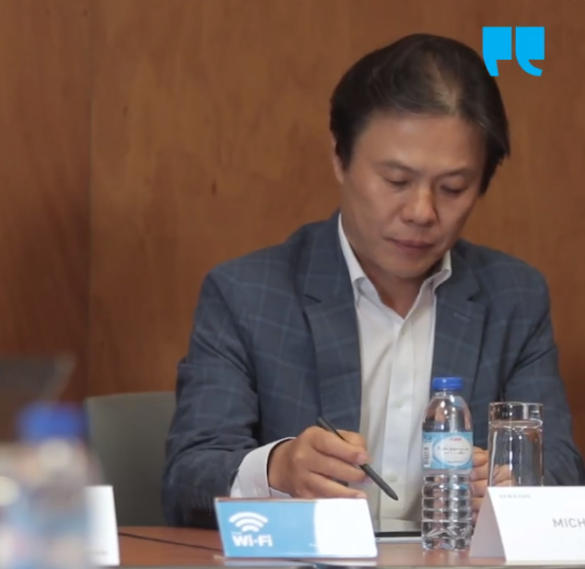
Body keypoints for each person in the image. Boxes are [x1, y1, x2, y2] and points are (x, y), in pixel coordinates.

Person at [162, 33, 585, 529]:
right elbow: (188, 479)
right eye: (396, 181)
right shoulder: (249, 294)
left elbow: (559, 468)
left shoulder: (514, 298)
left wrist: (514, 490)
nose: (422, 212)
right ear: (340, 157)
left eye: (453, 188)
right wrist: (277, 471)